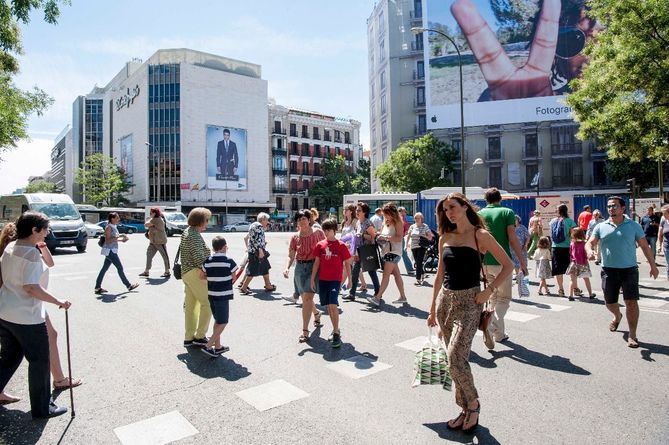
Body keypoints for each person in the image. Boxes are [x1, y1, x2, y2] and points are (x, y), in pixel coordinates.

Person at [427, 193, 513, 433]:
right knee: (453, 361)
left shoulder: (479, 235)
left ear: (465, 207)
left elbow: (508, 265)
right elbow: (439, 275)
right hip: (445, 301)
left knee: (456, 356)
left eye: (453, 207)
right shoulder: (445, 237)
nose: (449, 213)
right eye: (445, 210)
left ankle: (473, 405)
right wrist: (432, 306)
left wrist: (489, 292)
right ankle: (463, 408)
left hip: (470, 301)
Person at [450, 0, 602, 101]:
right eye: (571, 39)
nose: (590, 54)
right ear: (554, 49)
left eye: (604, 38)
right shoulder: (535, 99)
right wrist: (520, 112)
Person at [0, 212, 72, 418]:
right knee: (40, 361)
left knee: (10, 356)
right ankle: (42, 408)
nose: (48, 232)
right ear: (34, 230)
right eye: (45, 228)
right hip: (27, 316)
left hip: (6, 311)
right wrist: (58, 301)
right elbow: (31, 287)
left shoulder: (12, 246)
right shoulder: (30, 254)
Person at [586, 197, 659, 348]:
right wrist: (589, 251)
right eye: (609, 206)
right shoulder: (601, 226)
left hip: (629, 270)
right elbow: (590, 242)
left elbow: (645, 247)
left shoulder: (633, 226)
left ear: (623, 208)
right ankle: (617, 315)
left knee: (631, 302)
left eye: (614, 206)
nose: (611, 208)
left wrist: (653, 266)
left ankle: (632, 335)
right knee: (610, 302)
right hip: (609, 270)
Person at [478, 188, 527, 348]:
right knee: (504, 298)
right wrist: (521, 261)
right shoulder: (507, 212)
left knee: (492, 297)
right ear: (500, 198)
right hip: (502, 261)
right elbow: (512, 238)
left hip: (484, 261)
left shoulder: (480, 214)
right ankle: (491, 326)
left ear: (486, 199)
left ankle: (499, 334)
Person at [283, 209, 326, 342]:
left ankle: (305, 330)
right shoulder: (295, 237)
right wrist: (287, 268)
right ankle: (316, 314)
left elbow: (326, 246)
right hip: (300, 268)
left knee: (307, 298)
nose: (302, 221)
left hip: (314, 268)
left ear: (309, 220)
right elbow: (291, 255)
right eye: (299, 219)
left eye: (304, 218)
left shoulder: (318, 233)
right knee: (305, 298)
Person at [310, 218, 352, 348]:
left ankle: (335, 333)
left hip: (335, 280)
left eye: (329, 230)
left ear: (335, 230)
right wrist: (312, 279)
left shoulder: (341, 245)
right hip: (323, 280)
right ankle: (336, 329)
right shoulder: (320, 245)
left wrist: (350, 279)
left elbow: (347, 264)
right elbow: (316, 263)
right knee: (328, 306)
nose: (326, 232)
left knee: (333, 305)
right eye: (325, 230)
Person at [200, 236, 237, 357]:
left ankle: (218, 346)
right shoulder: (229, 261)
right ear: (224, 247)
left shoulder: (208, 260)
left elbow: (201, 276)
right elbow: (234, 278)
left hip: (212, 294)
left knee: (217, 320)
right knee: (224, 321)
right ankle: (208, 345)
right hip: (223, 295)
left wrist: (211, 277)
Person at [181, 207, 213, 348]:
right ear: (200, 221)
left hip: (187, 273)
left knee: (191, 306)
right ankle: (200, 336)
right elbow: (199, 258)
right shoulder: (193, 235)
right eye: (206, 220)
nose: (207, 223)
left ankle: (189, 337)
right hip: (196, 272)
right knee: (208, 303)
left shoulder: (188, 232)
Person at [366, 203, 409, 307]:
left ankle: (377, 297)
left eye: (386, 214)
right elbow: (381, 233)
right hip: (386, 251)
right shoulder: (385, 222)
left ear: (392, 213)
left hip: (393, 251)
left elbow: (399, 238)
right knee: (397, 275)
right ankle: (403, 297)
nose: (384, 216)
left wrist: (385, 237)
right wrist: (378, 235)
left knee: (386, 275)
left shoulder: (398, 222)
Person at [95, 212, 139, 294]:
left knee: (104, 269)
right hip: (110, 251)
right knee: (120, 268)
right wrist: (119, 237)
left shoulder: (113, 226)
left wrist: (121, 240)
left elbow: (113, 239)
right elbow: (107, 241)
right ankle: (128, 285)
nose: (119, 219)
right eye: (117, 218)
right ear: (112, 219)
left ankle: (97, 287)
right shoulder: (108, 227)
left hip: (111, 250)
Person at [343, 202, 380, 301]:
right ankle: (352, 294)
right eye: (357, 210)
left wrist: (362, 235)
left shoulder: (368, 222)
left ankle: (378, 293)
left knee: (372, 272)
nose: (357, 212)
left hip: (367, 251)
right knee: (355, 272)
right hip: (358, 251)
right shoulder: (358, 222)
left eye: (359, 210)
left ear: (364, 212)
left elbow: (373, 236)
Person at [239, 213, 276, 294]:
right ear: (263, 219)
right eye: (267, 220)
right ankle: (244, 287)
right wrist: (260, 251)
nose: (267, 222)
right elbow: (258, 239)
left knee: (265, 268)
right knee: (252, 270)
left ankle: (268, 285)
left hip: (254, 251)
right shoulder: (259, 226)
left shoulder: (253, 225)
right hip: (258, 252)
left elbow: (251, 238)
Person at [550, 204, 578, 297]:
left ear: (559, 211)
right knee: (571, 269)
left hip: (555, 248)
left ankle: (561, 289)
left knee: (558, 270)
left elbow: (551, 235)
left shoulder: (553, 221)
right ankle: (575, 288)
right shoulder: (570, 221)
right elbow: (573, 236)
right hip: (567, 248)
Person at [140, 207, 170, 278]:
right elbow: (148, 225)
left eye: (151, 213)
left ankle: (167, 272)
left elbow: (146, 224)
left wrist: (150, 221)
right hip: (153, 241)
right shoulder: (154, 219)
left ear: (155, 213)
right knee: (149, 255)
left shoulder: (156, 220)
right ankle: (146, 271)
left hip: (160, 241)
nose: (150, 214)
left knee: (164, 256)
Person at [565, 228, 594, 300]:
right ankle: (590, 294)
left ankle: (570, 295)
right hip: (583, 263)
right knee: (586, 279)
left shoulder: (572, 243)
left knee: (572, 280)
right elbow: (586, 254)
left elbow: (570, 253)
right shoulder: (584, 244)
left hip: (574, 263)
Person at [405, 212, 433, 286]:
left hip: (421, 246)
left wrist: (423, 236)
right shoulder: (412, 226)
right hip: (413, 246)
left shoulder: (425, 226)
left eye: (418, 218)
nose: (417, 219)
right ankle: (423, 273)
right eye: (415, 218)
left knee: (419, 262)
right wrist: (406, 245)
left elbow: (430, 237)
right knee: (417, 262)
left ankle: (418, 279)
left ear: (421, 219)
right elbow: (408, 236)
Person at [339, 204, 357, 293]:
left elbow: (355, 235)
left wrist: (352, 246)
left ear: (351, 211)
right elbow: (342, 236)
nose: (344, 211)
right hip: (344, 247)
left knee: (347, 266)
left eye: (346, 209)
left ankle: (340, 285)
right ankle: (363, 284)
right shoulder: (344, 222)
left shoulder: (354, 221)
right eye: (344, 209)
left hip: (351, 247)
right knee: (349, 266)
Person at [398, 206, 415, 275]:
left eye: (405, 211)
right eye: (404, 211)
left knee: (399, 253)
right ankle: (409, 269)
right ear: (400, 212)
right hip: (399, 238)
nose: (405, 212)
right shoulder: (399, 219)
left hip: (401, 238)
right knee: (402, 253)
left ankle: (389, 267)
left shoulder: (403, 218)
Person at [658, 205, 669, 278]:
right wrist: (659, 245)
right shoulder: (663, 220)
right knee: (668, 263)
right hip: (667, 246)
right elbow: (660, 233)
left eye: (664, 213)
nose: (663, 215)